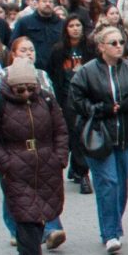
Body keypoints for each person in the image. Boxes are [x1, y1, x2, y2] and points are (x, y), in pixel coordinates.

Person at [65, 23, 128, 255]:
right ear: (101, 47)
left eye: (121, 42)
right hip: (99, 135)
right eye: (113, 43)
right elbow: (75, 99)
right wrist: (99, 108)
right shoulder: (87, 71)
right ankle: (111, 233)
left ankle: (113, 226)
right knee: (108, 183)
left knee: (122, 184)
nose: (119, 47)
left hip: (126, 135)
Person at [0, 60, 69, 255]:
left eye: (30, 88)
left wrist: (59, 157)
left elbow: (60, 130)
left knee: (41, 210)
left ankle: (31, 253)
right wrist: (5, 162)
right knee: (24, 214)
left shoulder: (47, 100)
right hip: (16, 164)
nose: (26, 93)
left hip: (46, 163)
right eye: (20, 89)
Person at [46, 14, 96, 194]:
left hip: (87, 96)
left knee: (83, 133)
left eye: (78, 25)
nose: (75, 29)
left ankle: (77, 167)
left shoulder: (90, 48)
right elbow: (52, 74)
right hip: (67, 97)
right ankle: (82, 173)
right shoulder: (59, 50)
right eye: (71, 26)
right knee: (74, 133)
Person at [11, 0, 66, 72]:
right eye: (44, 1)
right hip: (32, 69)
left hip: (57, 69)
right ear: (37, 4)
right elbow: (13, 44)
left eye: (50, 2)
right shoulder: (24, 22)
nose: (47, 4)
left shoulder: (61, 24)